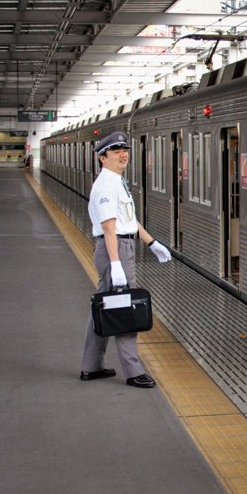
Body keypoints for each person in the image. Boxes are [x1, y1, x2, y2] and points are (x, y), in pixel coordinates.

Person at [79, 131, 172, 389]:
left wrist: (151, 243)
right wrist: (117, 264)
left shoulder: (117, 182)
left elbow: (128, 222)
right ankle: (133, 371)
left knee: (104, 306)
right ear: (102, 158)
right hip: (115, 250)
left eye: (125, 150)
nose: (123, 155)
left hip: (121, 245)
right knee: (124, 307)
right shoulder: (106, 186)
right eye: (116, 151)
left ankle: (92, 365)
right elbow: (110, 229)